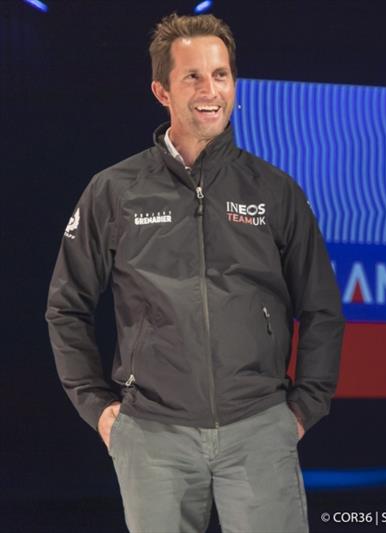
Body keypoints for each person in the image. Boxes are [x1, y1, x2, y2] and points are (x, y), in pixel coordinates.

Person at [45, 13, 344, 533]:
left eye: (221, 75)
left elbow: (321, 307)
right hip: (152, 437)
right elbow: (65, 307)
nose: (211, 91)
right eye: (193, 77)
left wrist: (301, 410)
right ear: (162, 91)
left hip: (258, 430)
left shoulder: (275, 191)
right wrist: (98, 409)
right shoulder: (114, 190)